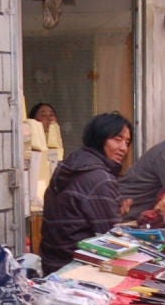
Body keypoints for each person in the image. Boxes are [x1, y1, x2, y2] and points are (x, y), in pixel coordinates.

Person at [39, 112, 133, 268]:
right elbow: (112, 239)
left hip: (52, 262)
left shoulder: (71, 165)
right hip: (76, 265)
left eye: (127, 142)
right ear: (99, 139)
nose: (123, 148)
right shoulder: (100, 179)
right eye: (117, 139)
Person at [23, 102, 64, 209]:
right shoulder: (31, 149)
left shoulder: (57, 147)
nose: (49, 119)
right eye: (43, 115)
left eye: (51, 115)